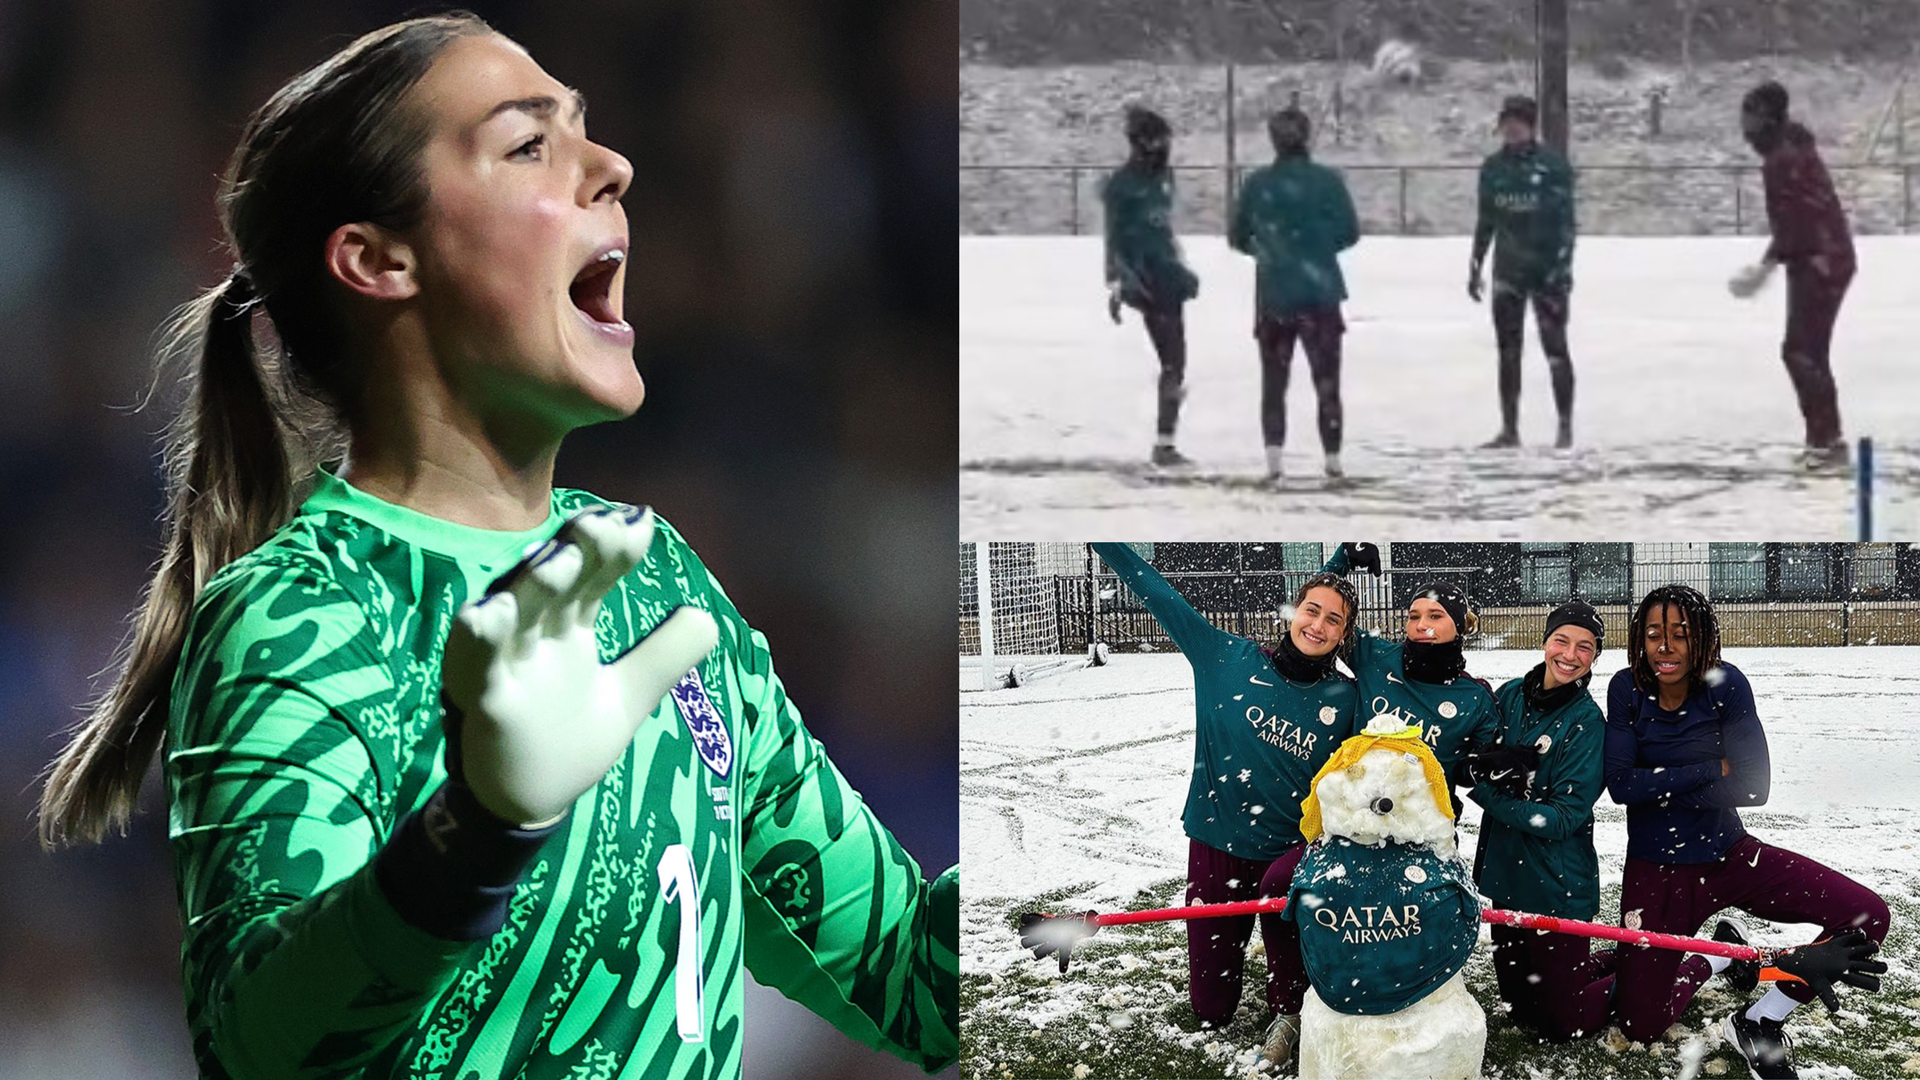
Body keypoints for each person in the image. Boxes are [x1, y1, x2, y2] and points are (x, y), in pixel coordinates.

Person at [34, 16, 955, 1079]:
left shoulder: (652, 579)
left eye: (588, 135)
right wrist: (475, 833)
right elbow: (257, 1044)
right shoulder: (303, 611)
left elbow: (914, 976)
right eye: (531, 145)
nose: (613, 166)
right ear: (380, 260)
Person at [1088, 544, 1360, 1069]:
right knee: (1211, 1011)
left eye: (1334, 620)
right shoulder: (1224, 658)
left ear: (1344, 634)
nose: (1318, 625)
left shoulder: (1346, 698)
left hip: (1291, 857)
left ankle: (1290, 1011)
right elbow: (1157, 593)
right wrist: (1106, 539)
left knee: (1294, 998)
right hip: (1216, 845)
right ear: (1292, 612)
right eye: (1310, 610)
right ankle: (1234, 989)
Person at [1606, 585, 1888, 1078]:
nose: (1665, 648)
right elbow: (1622, 785)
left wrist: (1662, 785)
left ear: (1703, 640)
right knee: (1640, 1025)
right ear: (1639, 639)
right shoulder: (1626, 687)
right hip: (1656, 874)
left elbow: (1754, 787)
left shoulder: (1726, 683)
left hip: (1731, 857)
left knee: (1867, 919)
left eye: (1680, 634)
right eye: (1654, 634)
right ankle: (1713, 959)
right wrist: (1713, 769)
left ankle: (1759, 1019)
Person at [1470, 601, 1616, 1041]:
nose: (1570, 655)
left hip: (1557, 888)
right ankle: (1603, 961)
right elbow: (1475, 754)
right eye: (1562, 640)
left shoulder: (1587, 722)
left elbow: (1562, 818)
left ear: (1595, 657)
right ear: (1545, 640)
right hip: (1505, 880)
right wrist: (1481, 766)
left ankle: (1653, 970)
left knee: (1563, 1024)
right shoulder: (1510, 695)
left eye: (1585, 647)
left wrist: (1487, 793)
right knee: (1518, 1009)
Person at [1726, 80, 1856, 470]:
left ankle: (1826, 442)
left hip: (1820, 259)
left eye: (1750, 117)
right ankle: (1825, 439)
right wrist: (1771, 262)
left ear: (1767, 118)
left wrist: (1764, 269)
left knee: (1800, 350)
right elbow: (1793, 223)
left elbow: (1796, 222)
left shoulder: (1783, 159)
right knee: (1810, 351)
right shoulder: (1791, 150)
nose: (1744, 127)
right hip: (1823, 255)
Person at [1228, 106, 1361, 484]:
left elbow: (1237, 237)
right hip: (1320, 292)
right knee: (1327, 380)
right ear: (1307, 138)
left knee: (1274, 380)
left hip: (1275, 293)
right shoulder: (1328, 181)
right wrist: (1316, 248)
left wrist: (1270, 251)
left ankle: (1274, 459)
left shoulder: (1257, 184)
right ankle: (1333, 458)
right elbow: (1350, 231)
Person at [1323, 544, 1500, 804]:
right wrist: (1342, 561)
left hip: (1424, 832)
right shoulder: (1374, 657)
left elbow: (1482, 769)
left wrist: (1483, 767)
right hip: (1353, 820)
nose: (1421, 625)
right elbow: (1321, 614)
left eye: (1436, 616)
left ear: (1459, 627)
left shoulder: (1475, 698)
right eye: (1413, 616)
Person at [1468, 95, 1578, 450]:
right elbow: (1486, 220)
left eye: (1518, 123)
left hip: (1547, 271)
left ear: (1531, 127)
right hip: (1509, 270)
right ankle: (1509, 428)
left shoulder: (1552, 167)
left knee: (1555, 348)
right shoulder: (1493, 168)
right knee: (1508, 351)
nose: (1511, 129)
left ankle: (1564, 426)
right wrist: (1476, 264)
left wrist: (1561, 266)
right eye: (1506, 123)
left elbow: (1566, 224)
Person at [1101, 105, 1201, 467]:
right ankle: (1164, 442)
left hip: (1167, 274)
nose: (1165, 147)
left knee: (1176, 360)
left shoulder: (1165, 177)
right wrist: (1116, 279)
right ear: (1141, 142)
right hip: (1145, 277)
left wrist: (1180, 262)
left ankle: (1166, 437)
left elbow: (1164, 228)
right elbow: (1113, 237)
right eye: (1159, 140)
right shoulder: (1122, 185)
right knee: (1173, 359)